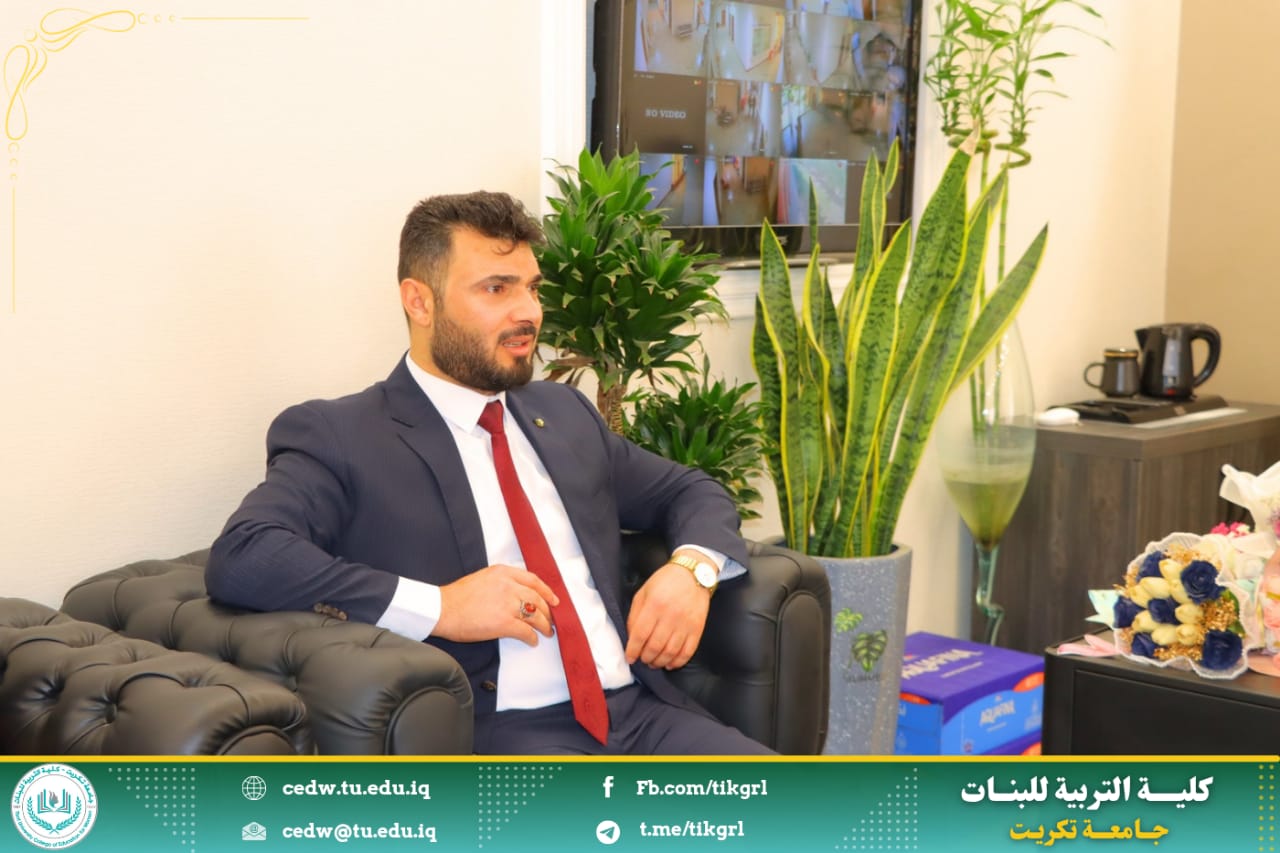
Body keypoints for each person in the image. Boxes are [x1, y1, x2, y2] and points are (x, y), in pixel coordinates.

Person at [206, 190, 773, 756]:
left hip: (642, 715)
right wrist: (442, 607)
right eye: (496, 288)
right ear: (419, 302)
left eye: (532, 288)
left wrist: (692, 571)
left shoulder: (564, 413)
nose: (529, 312)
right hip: (505, 738)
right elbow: (247, 554)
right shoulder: (343, 434)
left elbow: (688, 490)